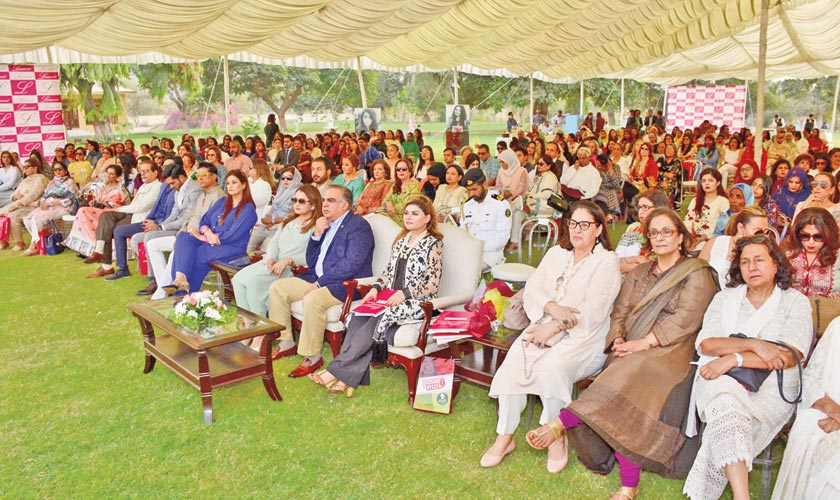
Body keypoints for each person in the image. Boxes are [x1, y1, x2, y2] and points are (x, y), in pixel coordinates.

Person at [527, 208, 718, 500]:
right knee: (624, 375)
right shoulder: (640, 272)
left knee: (629, 370)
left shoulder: (696, 272)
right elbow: (620, 312)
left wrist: (643, 344)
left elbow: (687, 318)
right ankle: (630, 485)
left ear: (680, 237)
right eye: (654, 233)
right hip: (631, 346)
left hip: (673, 350)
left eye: (667, 231)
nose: (660, 237)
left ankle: (562, 422)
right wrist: (617, 338)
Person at [482, 202, 621, 470]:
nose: (577, 230)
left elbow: (595, 309)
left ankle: (555, 436)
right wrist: (552, 308)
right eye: (573, 223)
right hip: (543, 323)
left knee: (552, 367)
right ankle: (504, 437)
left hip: (585, 337)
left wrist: (555, 326)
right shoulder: (557, 253)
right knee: (515, 358)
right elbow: (533, 288)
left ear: (598, 229)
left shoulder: (606, 261)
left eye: (585, 225)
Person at [683, 235, 812, 500]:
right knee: (726, 401)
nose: (752, 267)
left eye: (759, 260)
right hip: (721, 377)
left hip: (773, 387)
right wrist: (754, 344)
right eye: (745, 262)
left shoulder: (795, 301)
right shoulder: (725, 299)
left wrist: (734, 358)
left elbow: (789, 356)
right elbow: (706, 343)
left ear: (775, 264)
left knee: (725, 412)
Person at [310, 196, 444, 396]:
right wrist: (375, 289)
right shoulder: (401, 241)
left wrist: (403, 294)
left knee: (376, 321)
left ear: (427, 218)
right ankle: (347, 379)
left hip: (417, 302)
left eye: (415, 214)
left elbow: (432, 284)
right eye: (406, 213)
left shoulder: (434, 243)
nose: (408, 217)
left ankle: (334, 372)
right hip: (389, 297)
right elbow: (388, 272)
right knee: (357, 316)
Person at [268, 185, 375, 377]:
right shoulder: (326, 224)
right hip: (317, 278)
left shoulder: (358, 227)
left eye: (330, 201)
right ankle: (286, 342)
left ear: (345, 205)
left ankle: (312, 356)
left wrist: (320, 283)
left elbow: (350, 265)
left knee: (313, 298)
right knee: (278, 287)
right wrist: (316, 234)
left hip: (346, 285)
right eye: (324, 200)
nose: (324, 204)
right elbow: (311, 261)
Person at [771, 320, 840, 500]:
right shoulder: (837, 327)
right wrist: (833, 410)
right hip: (829, 414)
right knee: (814, 433)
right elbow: (811, 379)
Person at [234, 184, 321, 321]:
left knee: (254, 283)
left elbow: (313, 255)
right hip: (272, 262)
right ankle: (247, 322)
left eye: (302, 201)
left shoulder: (316, 227)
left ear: (313, 205)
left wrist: (289, 260)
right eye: (294, 200)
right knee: (238, 280)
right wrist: (270, 258)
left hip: (290, 268)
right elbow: (274, 243)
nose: (297, 204)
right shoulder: (289, 220)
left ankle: (261, 326)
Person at [164, 169, 257, 294]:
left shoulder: (248, 209)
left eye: (234, 182)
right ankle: (180, 279)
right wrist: (207, 233)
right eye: (228, 183)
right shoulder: (222, 201)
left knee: (195, 255)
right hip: (210, 240)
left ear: (244, 185)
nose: (230, 186)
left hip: (231, 247)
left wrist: (203, 238)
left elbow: (232, 235)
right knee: (183, 238)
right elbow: (204, 220)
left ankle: (185, 296)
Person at [148, 163, 225, 300]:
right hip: (189, 235)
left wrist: (192, 233)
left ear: (214, 176)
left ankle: (175, 291)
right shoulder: (203, 195)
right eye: (197, 175)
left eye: (204, 175)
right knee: (165, 244)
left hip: (203, 239)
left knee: (178, 250)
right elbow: (190, 218)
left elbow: (213, 226)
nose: (200, 178)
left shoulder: (219, 197)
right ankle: (173, 287)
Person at [83, 160, 162, 278]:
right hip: (132, 214)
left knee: (112, 229)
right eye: (141, 171)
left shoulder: (157, 187)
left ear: (155, 173)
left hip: (142, 219)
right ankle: (101, 255)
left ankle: (117, 268)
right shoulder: (144, 186)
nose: (143, 174)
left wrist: (118, 209)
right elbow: (134, 205)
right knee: (105, 217)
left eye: (146, 171)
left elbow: (141, 207)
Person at [64, 165, 130, 257]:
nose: (108, 175)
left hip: (114, 213)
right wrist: (94, 202)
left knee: (83, 211)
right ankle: (88, 247)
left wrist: (105, 204)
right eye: (107, 173)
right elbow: (98, 200)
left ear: (117, 177)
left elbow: (124, 205)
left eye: (111, 174)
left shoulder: (120, 189)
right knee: (82, 211)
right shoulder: (104, 187)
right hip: (100, 210)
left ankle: (93, 247)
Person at [700, 206, 770, 289]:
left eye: (766, 232)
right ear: (741, 228)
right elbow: (698, 272)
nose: (763, 237)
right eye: (758, 232)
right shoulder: (715, 243)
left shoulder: (762, 253)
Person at [17, 161, 78, 255]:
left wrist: (52, 203)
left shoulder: (70, 182)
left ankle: (33, 246)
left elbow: (71, 199)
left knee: (37, 219)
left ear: (65, 171)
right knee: (27, 219)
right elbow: (45, 195)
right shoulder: (52, 183)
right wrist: (42, 202)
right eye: (55, 170)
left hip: (64, 207)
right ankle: (41, 242)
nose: (57, 171)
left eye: (60, 169)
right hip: (49, 206)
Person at [461, 168, 512, 269]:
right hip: (470, 252)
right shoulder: (467, 205)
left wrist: (478, 247)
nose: (471, 194)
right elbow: (462, 231)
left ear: (484, 184)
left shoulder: (500, 204)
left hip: (490, 255)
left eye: (474, 189)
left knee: (466, 268)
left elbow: (502, 238)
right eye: (468, 190)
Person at [784, 207, 840, 297]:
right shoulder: (786, 253)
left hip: (828, 305)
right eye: (805, 236)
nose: (811, 242)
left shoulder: (837, 256)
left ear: (829, 235)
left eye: (818, 237)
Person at [247, 166, 302, 254]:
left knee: (266, 248)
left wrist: (273, 220)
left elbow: (294, 217)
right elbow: (272, 209)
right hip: (269, 225)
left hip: (283, 228)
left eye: (289, 178)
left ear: (295, 179)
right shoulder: (281, 192)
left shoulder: (299, 195)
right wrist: (267, 220)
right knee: (249, 243)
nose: (285, 180)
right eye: (283, 178)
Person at [614, 190, 670, 274]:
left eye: (645, 207)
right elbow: (618, 256)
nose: (641, 211)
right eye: (639, 207)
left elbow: (657, 266)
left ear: (659, 208)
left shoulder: (667, 233)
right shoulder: (633, 228)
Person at [494, 149, 529, 247]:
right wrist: (502, 193)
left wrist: (509, 193)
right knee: (514, 211)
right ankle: (507, 239)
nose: (502, 164)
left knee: (517, 211)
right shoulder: (501, 171)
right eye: (500, 162)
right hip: (504, 200)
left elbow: (520, 189)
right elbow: (497, 186)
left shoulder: (521, 171)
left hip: (519, 201)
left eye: (503, 162)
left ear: (510, 161)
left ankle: (514, 242)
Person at [684, 168, 729, 244]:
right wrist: (690, 237)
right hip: (693, 239)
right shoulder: (695, 200)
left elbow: (723, 227)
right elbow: (688, 221)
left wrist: (703, 238)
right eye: (704, 181)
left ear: (718, 183)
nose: (707, 183)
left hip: (713, 240)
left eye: (710, 180)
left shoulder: (723, 202)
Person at [382, 158, 421, 226]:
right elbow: (385, 200)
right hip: (389, 217)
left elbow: (409, 206)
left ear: (410, 171)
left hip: (404, 220)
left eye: (404, 169)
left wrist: (391, 208)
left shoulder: (414, 187)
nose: (401, 171)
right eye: (398, 169)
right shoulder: (395, 185)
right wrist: (388, 204)